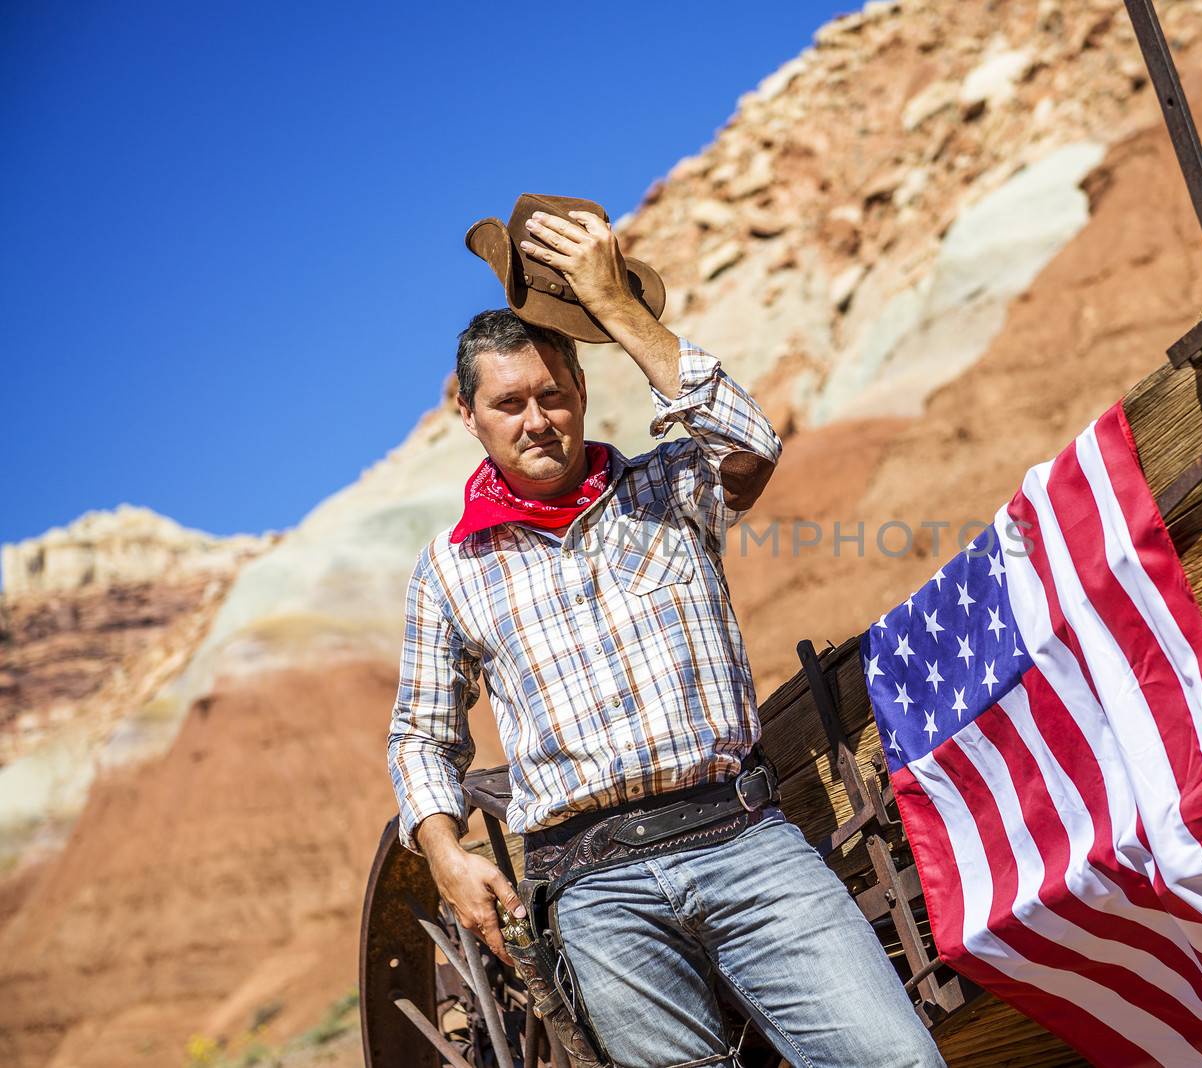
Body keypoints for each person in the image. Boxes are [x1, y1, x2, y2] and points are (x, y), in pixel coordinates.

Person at [387, 205, 946, 1068]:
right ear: (468, 415)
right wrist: (444, 853)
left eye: (554, 394)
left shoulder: (673, 484)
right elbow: (422, 735)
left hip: (743, 843)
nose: (537, 419)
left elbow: (751, 440)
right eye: (509, 403)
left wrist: (620, 310)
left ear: (582, 391)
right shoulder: (448, 568)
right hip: (594, 889)